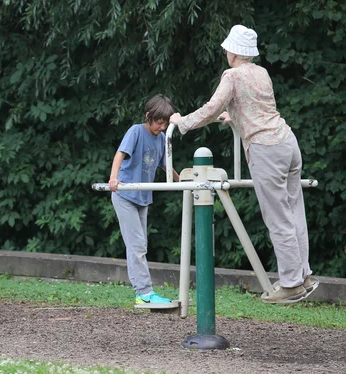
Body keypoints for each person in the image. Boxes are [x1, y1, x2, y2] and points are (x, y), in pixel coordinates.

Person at [169, 25, 318, 304]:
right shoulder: (261, 72)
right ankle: (304, 276)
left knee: (278, 218)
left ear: (235, 51)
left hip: (266, 149)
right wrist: (233, 116)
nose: (225, 52)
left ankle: (291, 284)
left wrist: (182, 123)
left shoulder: (232, 75)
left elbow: (211, 108)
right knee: (294, 212)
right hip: (287, 142)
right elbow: (255, 107)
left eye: (227, 49)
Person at [109, 94, 179, 305]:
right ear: (148, 116)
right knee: (137, 245)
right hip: (125, 195)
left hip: (142, 197)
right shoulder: (136, 131)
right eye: (159, 122)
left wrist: (181, 179)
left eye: (166, 123)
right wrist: (114, 177)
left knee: (140, 245)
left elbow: (165, 164)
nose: (162, 127)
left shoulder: (161, 139)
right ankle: (144, 293)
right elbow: (120, 153)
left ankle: (142, 292)